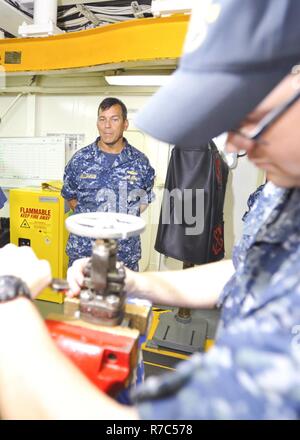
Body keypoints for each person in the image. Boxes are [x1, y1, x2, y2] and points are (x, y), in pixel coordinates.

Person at [0, 73, 300, 419]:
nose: (233, 148)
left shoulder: (274, 369)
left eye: (252, 120)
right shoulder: (283, 200)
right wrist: (138, 283)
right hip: (88, 254)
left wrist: (10, 300)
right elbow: (246, 267)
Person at [61, 97, 155, 270]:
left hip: (124, 254)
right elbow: (70, 197)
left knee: (123, 297)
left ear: (125, 124)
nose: (107, 125)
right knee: (80, 297)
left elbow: (144, 200)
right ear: (97, 123)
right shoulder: (80, 160)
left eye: (114, 119)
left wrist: (124, 216)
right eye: (102, 119)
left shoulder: (140, 162)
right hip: (84, 253)